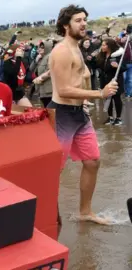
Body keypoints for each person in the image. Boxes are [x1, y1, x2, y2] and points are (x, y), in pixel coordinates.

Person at [48, 5, 118, 225]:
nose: (84, 24)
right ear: (65, 25)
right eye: (78, 20)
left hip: (80, 114)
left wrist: (86, 100)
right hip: (61, 115)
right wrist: (99, 93)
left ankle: (85, 212)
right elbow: (64, 89)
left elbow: (81, 78)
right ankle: (48, 217)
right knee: (53, 170)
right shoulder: (61, 51)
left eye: (85, 20)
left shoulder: (77, 48)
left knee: (93, 162)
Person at [97, 38, 127, 125]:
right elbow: (98, 65)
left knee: (116, 98)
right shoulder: (101, 54)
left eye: (104, 45)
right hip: (105, 80)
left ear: (109, 46)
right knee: (107, 98)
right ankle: (110, 117)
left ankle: (118, 118)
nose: (102, 47)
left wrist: (117, 66)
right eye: (102, 45)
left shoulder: (118, 55)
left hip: (115, 80)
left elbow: (124, 67)